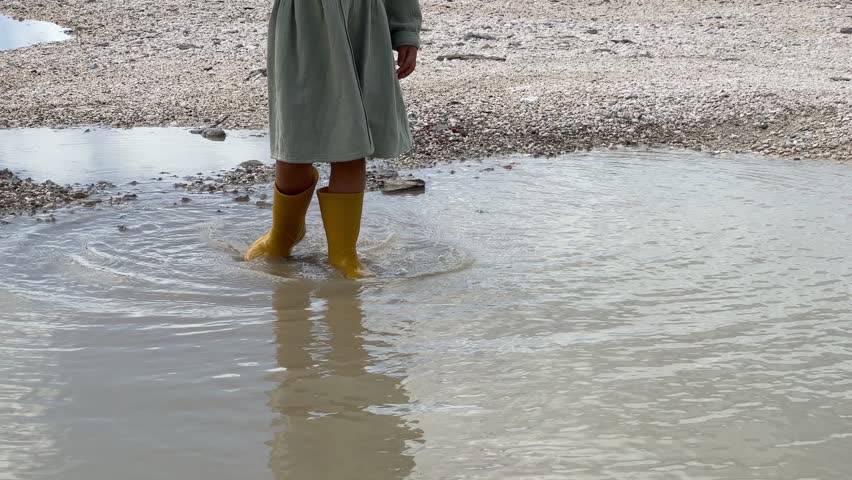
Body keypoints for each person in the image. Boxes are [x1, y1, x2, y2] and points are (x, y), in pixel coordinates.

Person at [245, 0, 422, 279]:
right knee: (293, 146)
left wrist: (406, 32)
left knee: (350, 145)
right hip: (301, 27)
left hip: (362, 27)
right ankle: (283, 235)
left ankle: (343, 253)